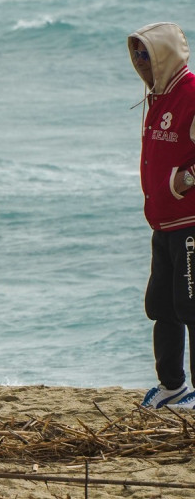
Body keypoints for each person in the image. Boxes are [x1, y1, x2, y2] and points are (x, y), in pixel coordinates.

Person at [131, 22, 195, 410]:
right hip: (163, 223)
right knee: (161, 306)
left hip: (190, 222)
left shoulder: (191, 93)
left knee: (191, 307)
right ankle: (172, 386)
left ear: (164, 55)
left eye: (146, 54)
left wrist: (184, 180)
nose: (140, 62)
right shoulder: (158, 97)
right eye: (136, 54)